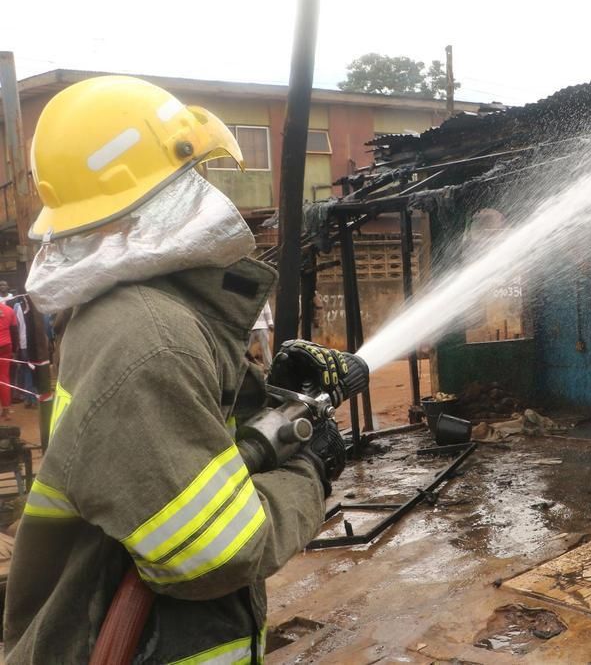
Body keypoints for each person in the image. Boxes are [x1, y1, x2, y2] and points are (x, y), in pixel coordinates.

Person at [3, 75, 348, 664]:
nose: (211, 190)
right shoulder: (146, 335)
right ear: (163, 192)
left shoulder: (144, 313)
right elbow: (212, 553)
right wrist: (310, 472)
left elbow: (176, 458)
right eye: (194, 174)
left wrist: (267, 403)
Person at [0, 298, 15, 420]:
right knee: (4, 378)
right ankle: (6, 410)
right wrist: (15, 350)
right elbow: (14, 330)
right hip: (6, 346)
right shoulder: (9, 310)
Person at [251, 301, 274, 367]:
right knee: (244, 347)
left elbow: (267, 310)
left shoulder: (263, 297)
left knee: (265, 348)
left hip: (262, 326)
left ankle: (269, 368)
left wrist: (270, 323)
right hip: (250, 328)